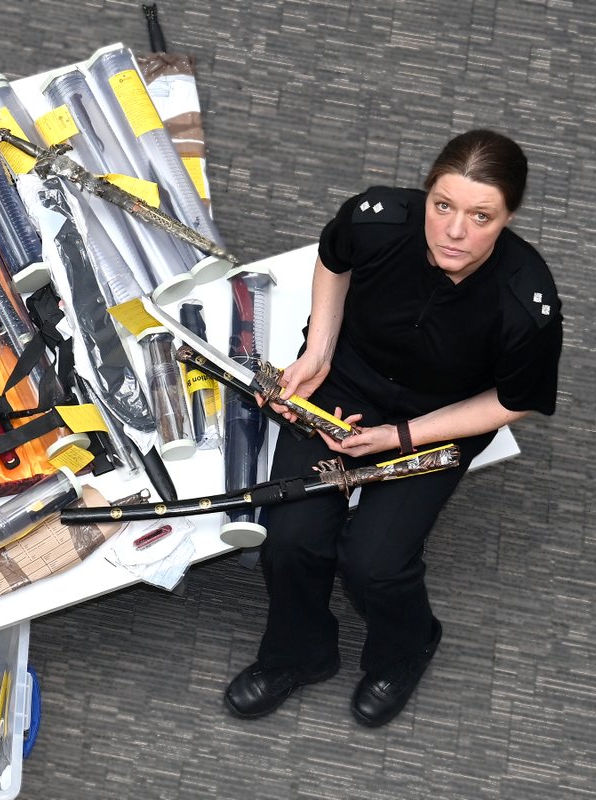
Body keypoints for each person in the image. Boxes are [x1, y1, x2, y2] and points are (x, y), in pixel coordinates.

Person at [224, 130, 562, 727]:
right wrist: (319, 354)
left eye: (481, 217)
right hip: (348, 384)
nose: (455, 232)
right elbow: (333, 259)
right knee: (292, 539)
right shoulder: (378, 217)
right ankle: (299, 655)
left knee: (374, 562)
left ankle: (407, 646)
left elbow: (513, 401)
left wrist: (400, 439)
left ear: (509, 217)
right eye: (443, 206)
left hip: (442, 417)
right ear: (427, 194)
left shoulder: (526, 300)